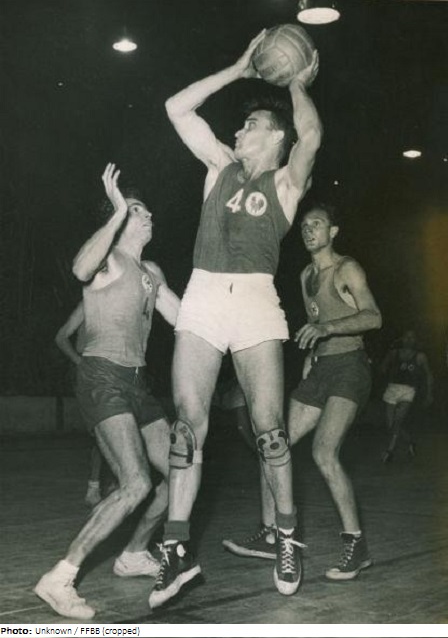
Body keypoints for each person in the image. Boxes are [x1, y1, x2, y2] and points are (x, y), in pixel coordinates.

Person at [148, 30, 322, 609]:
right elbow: (177, 108)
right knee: (186, 426)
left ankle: (287, 537)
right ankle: (175, 551)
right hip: (203, 293)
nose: (239, 132)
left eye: (250, 125)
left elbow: (311, 136)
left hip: (253, 301)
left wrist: (296, 84)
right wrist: (239, 66)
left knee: (270, 429)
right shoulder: (219, 165)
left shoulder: (286, 183)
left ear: (274, 137)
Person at [34, 163, 180, 620]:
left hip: (139, 383)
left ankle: (134, 553)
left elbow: (185, 319)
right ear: (117, 220)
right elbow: (80, 268)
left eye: (146, 209)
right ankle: (59, 577)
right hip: (102, 376)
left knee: (181, 473)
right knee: (135, 483)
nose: (148, 214)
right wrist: (118, 212)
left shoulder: (151, 270)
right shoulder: (108, 259)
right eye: (137, 210)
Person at [224, 203, 382, 581]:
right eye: (305, 225)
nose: (309, 230)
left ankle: (356, 545)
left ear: (333, 232)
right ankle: (271, 534)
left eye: (318, 224)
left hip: (350, 369)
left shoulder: (347, 269)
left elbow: (374, 317)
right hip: (321, 370)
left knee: (323, 452)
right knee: (271, 444)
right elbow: (316, 321)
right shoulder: (306, 275)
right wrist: (313, 351)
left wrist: (326, 330)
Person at [55, 301, 113, 507]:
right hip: (88, 370)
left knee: (116, 428)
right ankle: (94, 487)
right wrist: (80, 363)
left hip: (110, 371)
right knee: (102, 430)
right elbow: (61, 338)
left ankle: (112, 483)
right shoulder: (89, 303)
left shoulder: (121, 303)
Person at [380, 329, 434, 463]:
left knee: (397, 421)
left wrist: (429, 393)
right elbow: (383, 367)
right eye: (406, 337)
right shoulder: (394, 353)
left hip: (408, 390)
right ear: (402, 338)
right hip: (392, 388)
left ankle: (389, 451)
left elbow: (429, 375)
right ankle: (410, 442)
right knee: (390, 424)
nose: (409, 339)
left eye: (412, 337)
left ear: (415, 340)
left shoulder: (420, 356)